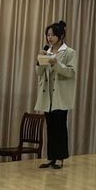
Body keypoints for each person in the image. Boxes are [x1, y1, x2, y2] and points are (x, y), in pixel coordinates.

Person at [35, 20, 77, 169]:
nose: (50, 38)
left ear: (61, 35)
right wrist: (41, 61)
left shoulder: (69, 52)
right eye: (48, 35)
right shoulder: (46, 51)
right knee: (50, 127)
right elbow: (39, 72)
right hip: (47, 95)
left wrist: (55, 64)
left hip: (61, 95)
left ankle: (60, 158)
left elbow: (71, 72)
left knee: (60, 126)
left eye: (53, 35)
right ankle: (50, 157)